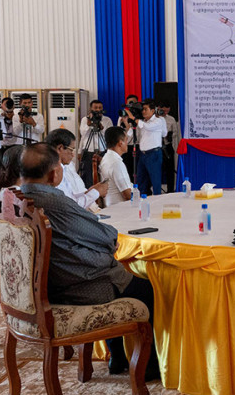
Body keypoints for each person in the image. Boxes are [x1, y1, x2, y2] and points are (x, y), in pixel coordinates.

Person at [16, 143, 159, 381]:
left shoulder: (15, 200)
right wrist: (108, 241)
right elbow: (103, 235)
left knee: (115, 272)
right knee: (144, 288)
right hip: (75, 288)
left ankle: (118, 357)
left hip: (39, 289)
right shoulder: (53, 202)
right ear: (54, 173)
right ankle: (148, 367)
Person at [46, 129, 108, 210]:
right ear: (60, 148)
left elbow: (70, 198)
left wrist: (89, 192)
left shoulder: (65, 167)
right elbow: (71, 207)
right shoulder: (55, 171)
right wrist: (96, 192)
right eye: (71, 150)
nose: (73, 155)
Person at [124, 99, 168, 196]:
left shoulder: (159, 120)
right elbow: (130, 134)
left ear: (152, 110)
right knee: (141, 181)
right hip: (142, 154)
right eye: (142, 109)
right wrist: (128, 123)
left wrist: (133, 118)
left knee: (155, 181)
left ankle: (157, 201)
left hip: (153, 154)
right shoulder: (142, 121)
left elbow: (148, 127)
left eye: (145, 109)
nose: (143, 112)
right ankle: (141, 201)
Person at [78, 99, 112, 188]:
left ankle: (104, 192)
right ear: (91, 109)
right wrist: (89, 125)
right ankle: (90, 192)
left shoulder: (107, 120)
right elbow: (82, 134)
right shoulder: (85, 119)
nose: (98, 110)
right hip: (89, 151)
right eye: (95, 108)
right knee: (88, 175)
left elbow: (110, 136)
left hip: (103, 150)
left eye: (100, 108)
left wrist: (102, 128)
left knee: (105, 173)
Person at [99, 126, 133, 206]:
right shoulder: (116, 163)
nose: (127, 143)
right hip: (120, 207)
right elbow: (128, 195)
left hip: (111, 204)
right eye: (126, 140)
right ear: (120, 143)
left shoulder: (106, 157)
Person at [156, 102, 181, 193]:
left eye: (167, 111)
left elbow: (175, 132)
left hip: (167, 145)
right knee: (157, 170)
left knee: (170, 169)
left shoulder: (171, 119)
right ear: (159, 108)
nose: (165, 113)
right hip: (157, 146)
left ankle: (171, 190)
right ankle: (157, 190)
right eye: (164, 111)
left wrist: (169, 135)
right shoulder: (154, 119)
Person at [118, 94, 140, 179]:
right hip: (126, 147)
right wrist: (126, 123)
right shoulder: (123, 116)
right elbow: (121, 133)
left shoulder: (140, 116)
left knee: (139, 171)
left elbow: (139, 133)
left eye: (133, 103)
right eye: (129, 103)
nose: (131, 106)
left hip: (138, 146)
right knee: (127, 170)